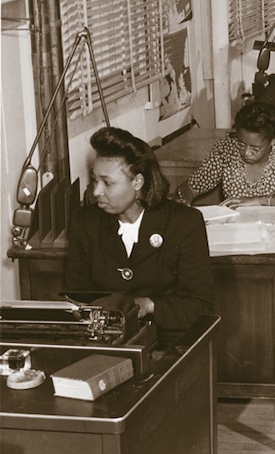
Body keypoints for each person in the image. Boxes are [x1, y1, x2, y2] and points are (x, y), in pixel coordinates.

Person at [64, 127, 214, 339]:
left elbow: (201, 306)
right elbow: (75, 298)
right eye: (95, 180)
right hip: (106, 340)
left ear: (138, 182)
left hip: (169, 338)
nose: (97, 191)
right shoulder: (85, 222)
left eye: (107, 183)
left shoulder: (184, 223)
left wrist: (151, 305)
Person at [179, 101, 275, 210]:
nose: (246, 152)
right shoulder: (226, 150)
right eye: (241, 144)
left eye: (255, 148)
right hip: (236, 231)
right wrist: (184, 198)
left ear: (273, 141)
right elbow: (192, 187)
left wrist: (261, 201)